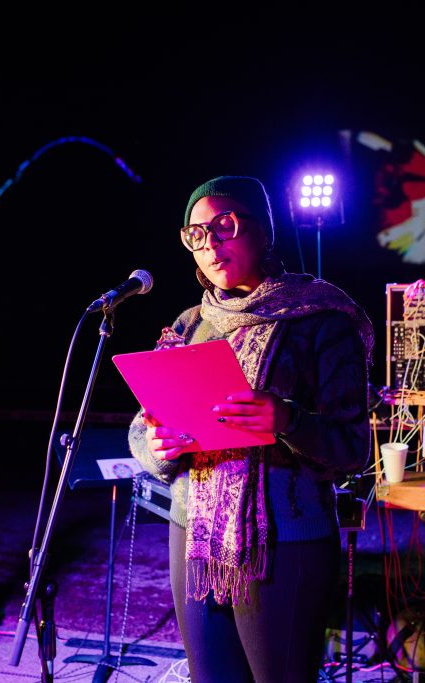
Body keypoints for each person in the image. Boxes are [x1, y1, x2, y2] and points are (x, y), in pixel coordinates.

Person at [127, 175, 374, 683]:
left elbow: (353, 448)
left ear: (263, 230)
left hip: (286, 544)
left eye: (225, 225)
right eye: (197, 233)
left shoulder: (320, 318)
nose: (211, 243)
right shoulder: (189, 324)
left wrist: (286, 420)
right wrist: (156, 445)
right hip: (194, 537)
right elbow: (140, 426)